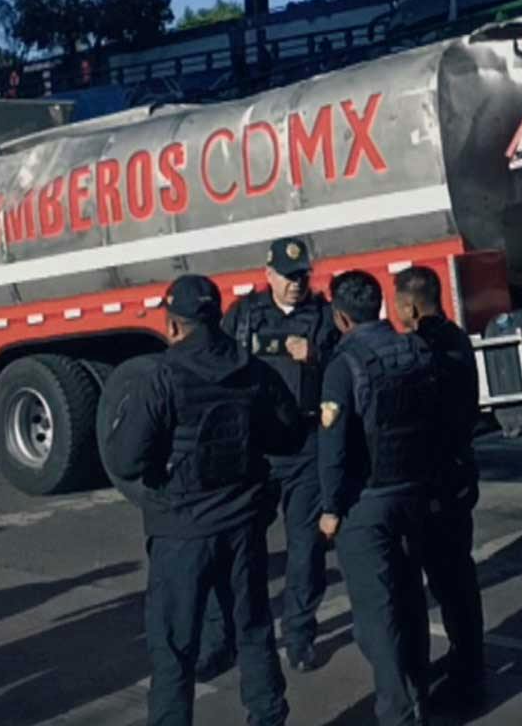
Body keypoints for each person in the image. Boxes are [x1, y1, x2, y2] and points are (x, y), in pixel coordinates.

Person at [110, 274, 298, 726]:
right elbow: (289, 436)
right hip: (243, 526)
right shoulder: (253, 370)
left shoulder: (161, 376)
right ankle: (269, 718)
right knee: (253, 630)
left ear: (173, 326)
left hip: (182, 530)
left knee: (175, 649)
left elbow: (126, 459)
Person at [203, 237, 340, 673]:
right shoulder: (243, 317)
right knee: (240, 550)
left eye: (302, 276)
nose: (296, 285)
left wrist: (316, 356)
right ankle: (232, 635)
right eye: (287, 276)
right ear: (267, 275)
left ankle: (299, 636)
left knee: (305, 551)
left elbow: (344, 371)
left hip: (304, 446)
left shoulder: (322, 317)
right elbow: (216, 368)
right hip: (255, 450)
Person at [318, 270, 438, 726]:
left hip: (366, 503)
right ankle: (419, 691)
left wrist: (330, 509)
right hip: (414, 493)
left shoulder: (342, 365)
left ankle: (398, 712)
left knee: (376, 616)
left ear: (340, 317)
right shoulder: (413, 348)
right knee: (410, 599)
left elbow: (332, 449)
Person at [391, 266, 486, 710]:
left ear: (410, 306)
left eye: (397, 304)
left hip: (434, 481)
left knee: (446, 581)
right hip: (459, 474)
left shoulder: (422, 349)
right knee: (458, 579)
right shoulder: (457, 339)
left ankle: (465, 679)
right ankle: (467, 662)